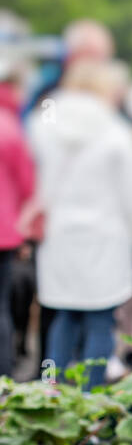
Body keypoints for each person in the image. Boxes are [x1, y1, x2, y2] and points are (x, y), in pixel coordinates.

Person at [28, 58, 132, 387]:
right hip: (105, 236)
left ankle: (49, 392)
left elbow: (35, 181)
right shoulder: (115, 130)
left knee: (62, 318)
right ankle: (91, 401)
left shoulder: (43, 124)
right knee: (100, 321)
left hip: (59, 236)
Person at [0, 58, 36, 378]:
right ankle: (3, 378)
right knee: (2, 309)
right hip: (4, 235)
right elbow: (28, 186)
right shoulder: (11, 126)